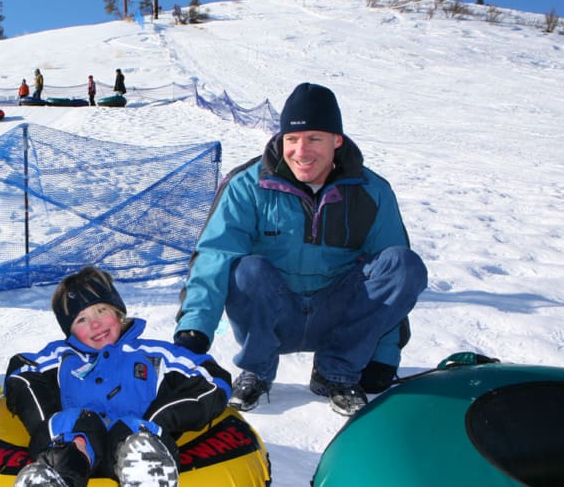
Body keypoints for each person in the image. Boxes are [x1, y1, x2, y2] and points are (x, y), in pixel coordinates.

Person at [172, 82, 427, 416]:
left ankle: (336, 371)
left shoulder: (372, 190)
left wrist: (385, 355)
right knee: (246, 269)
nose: (301, 151)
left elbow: (393, 275)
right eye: (291, 139)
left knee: (404, 264)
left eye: (314, 139)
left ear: (337, 141)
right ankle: (258, 370)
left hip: (338, 316)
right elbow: (215, 256)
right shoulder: (248, 185)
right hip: (275, 315)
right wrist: (194, 331)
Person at [7, 267, 232, 487]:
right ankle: (53, 477)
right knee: (75, 424)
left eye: (101, 310)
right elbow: (23, 373)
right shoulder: (62, 357)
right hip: (77, 447)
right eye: (81, 320)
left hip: (135, 439)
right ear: (71, 331)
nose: (95, 324)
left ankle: (146, 472)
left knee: (134, 432)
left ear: (118, 312)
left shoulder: (152, 354)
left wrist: (161, 417)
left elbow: (211, 377)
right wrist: (45, 426)